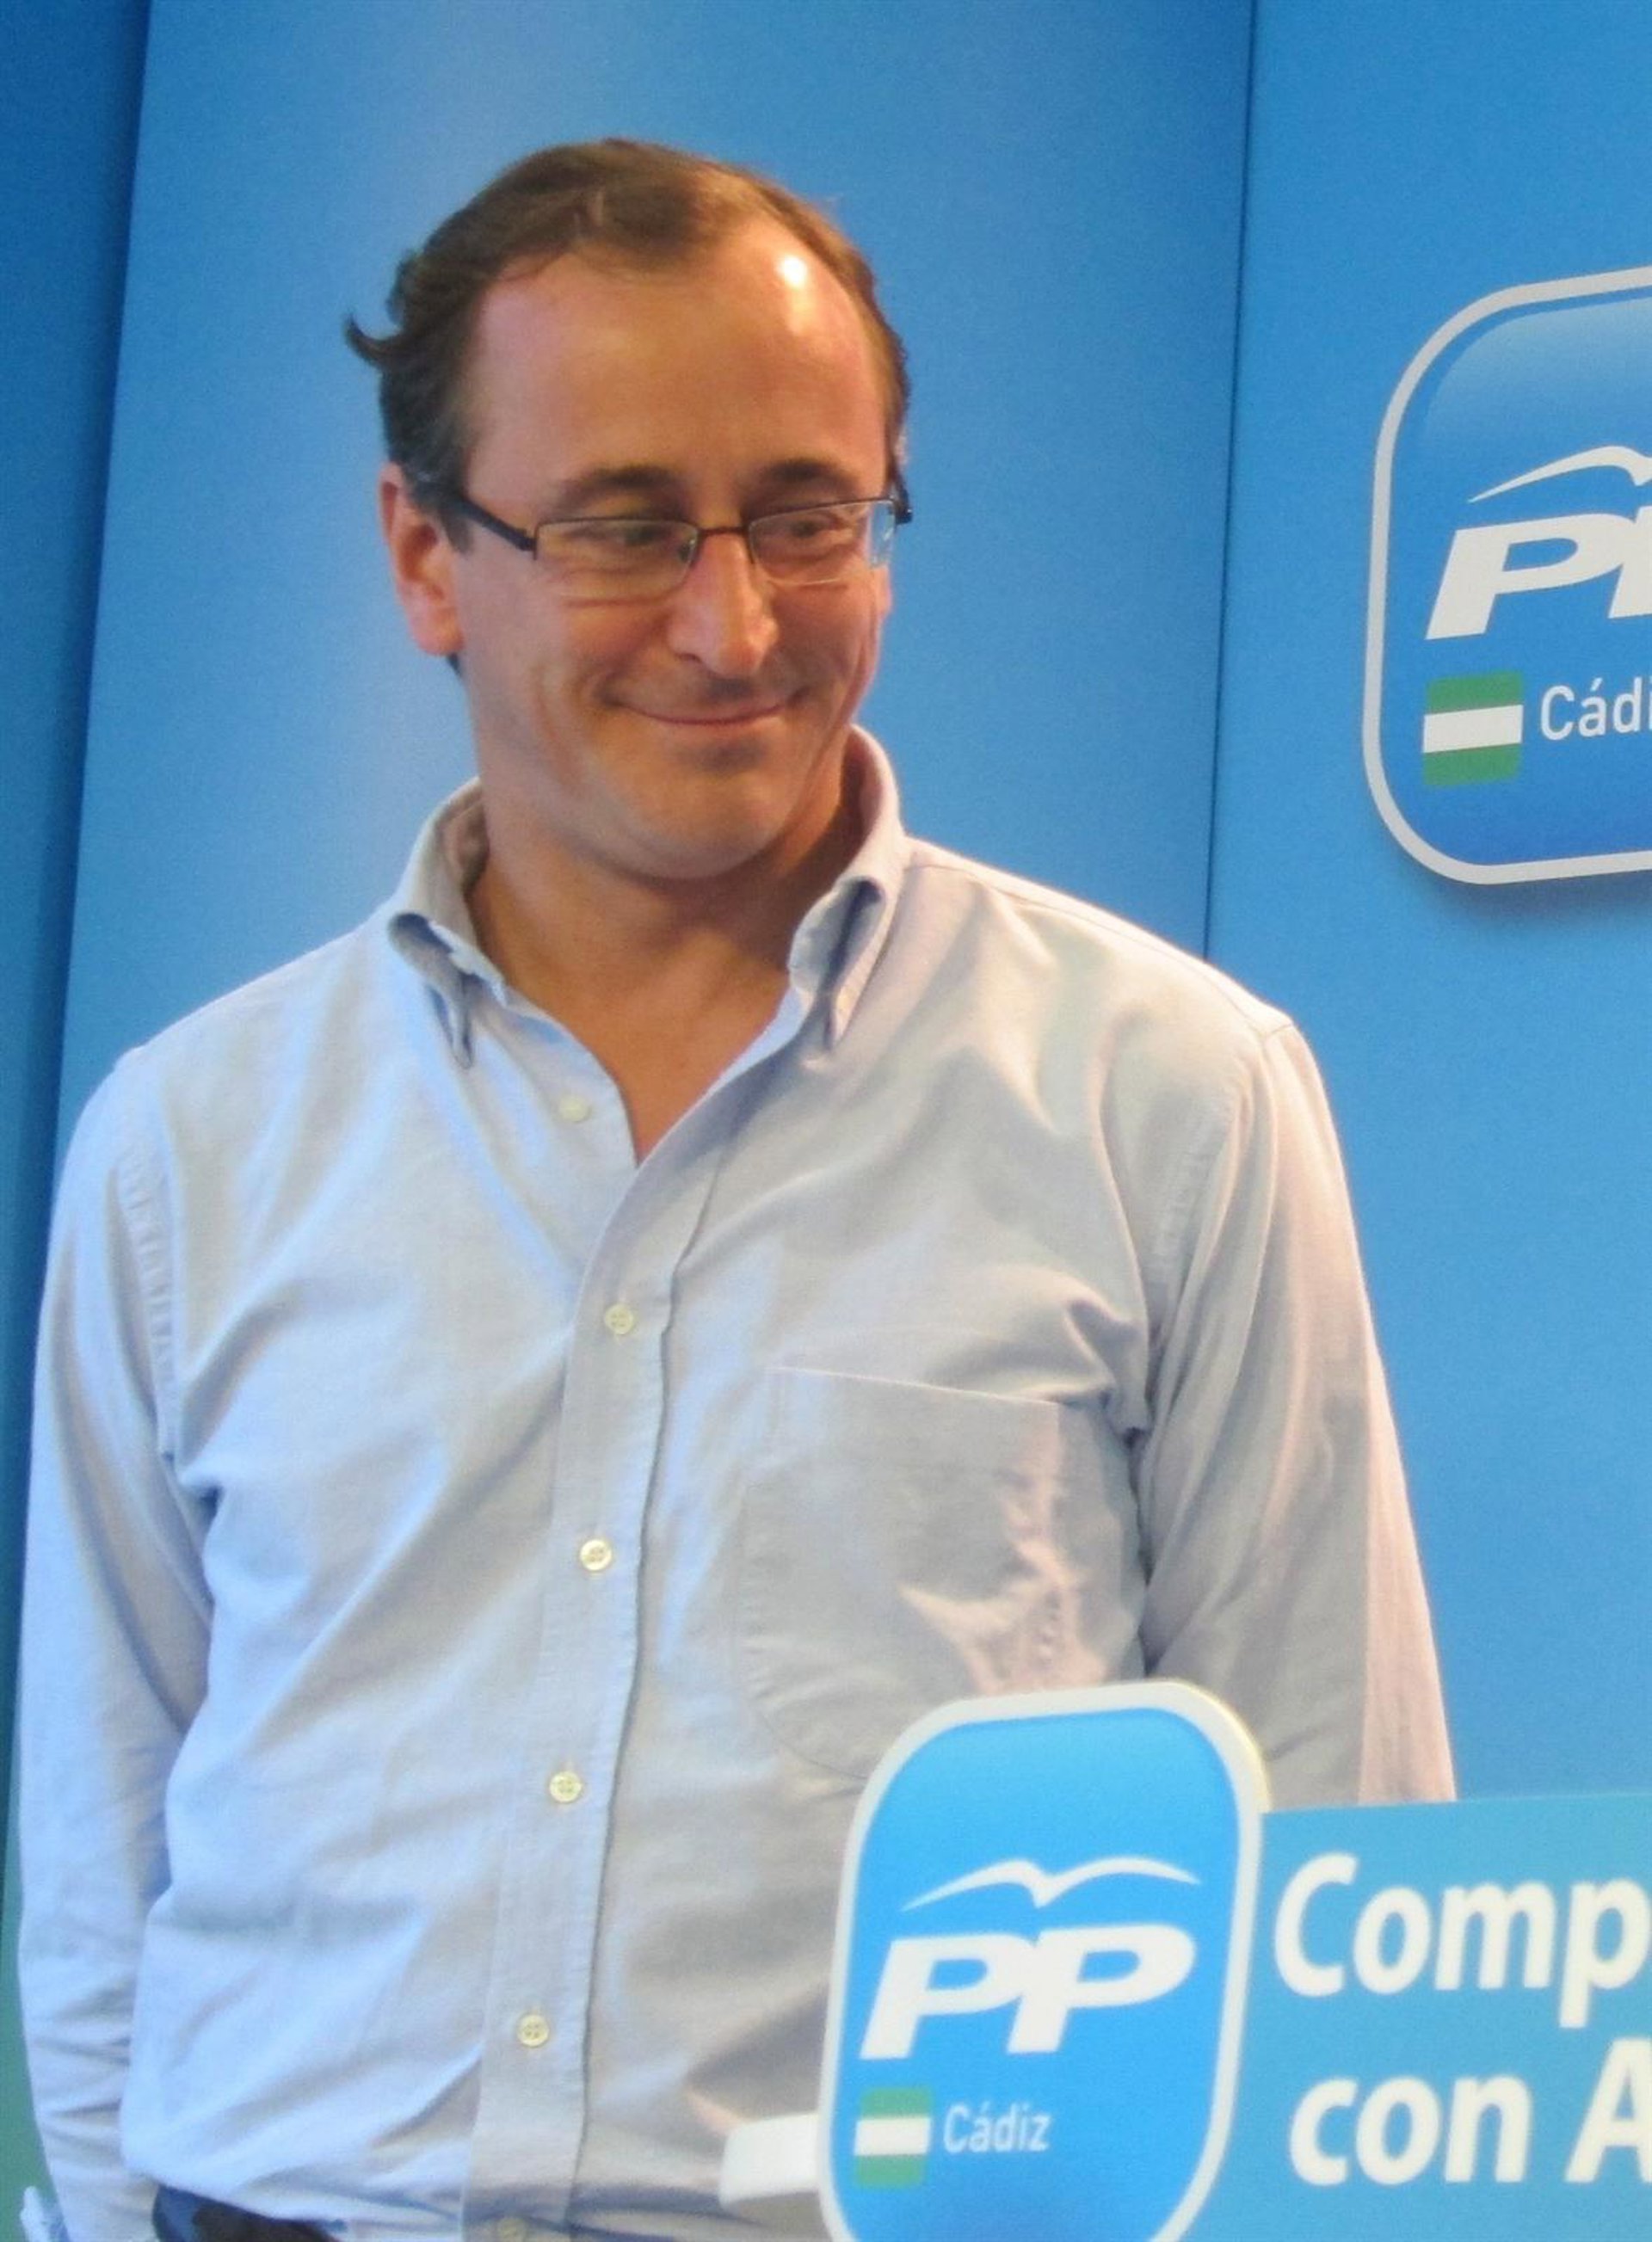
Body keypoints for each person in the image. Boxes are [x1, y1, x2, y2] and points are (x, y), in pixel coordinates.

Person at [19, 139, 1452, 2242]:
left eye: (807, 516)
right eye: (623, 529)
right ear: (425, 554)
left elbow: (1329, 1830)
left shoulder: (1171, 1092)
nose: (733, 622)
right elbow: (103, 1854)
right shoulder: (188, 1141)